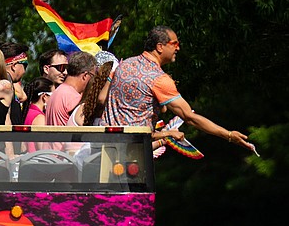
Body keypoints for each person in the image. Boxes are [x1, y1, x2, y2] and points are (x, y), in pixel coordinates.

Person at [100, 25, 252, 150]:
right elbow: (189, 117)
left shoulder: (123, 64)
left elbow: (101, 99)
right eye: (175, 44)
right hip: (132, 152)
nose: (178, 48)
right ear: (160, 47)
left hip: (104, 144)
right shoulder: (159, 79)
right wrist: (229, 135)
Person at [45, 51, 97, 126]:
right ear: (85, 75)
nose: (93, 81)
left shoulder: (57, 92)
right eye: (92, 76)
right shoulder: (73, 98)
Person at [21, 77, 55, 152]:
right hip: (37, 160)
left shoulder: (26, 112)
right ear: (44, 97)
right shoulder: (39, 118)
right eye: (54, 94)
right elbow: (42, 147)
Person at [0, 41, 30, 125]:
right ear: (14, 66)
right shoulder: (5, 85)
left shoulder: (6, 83)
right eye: (25, 65)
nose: (24, 71)